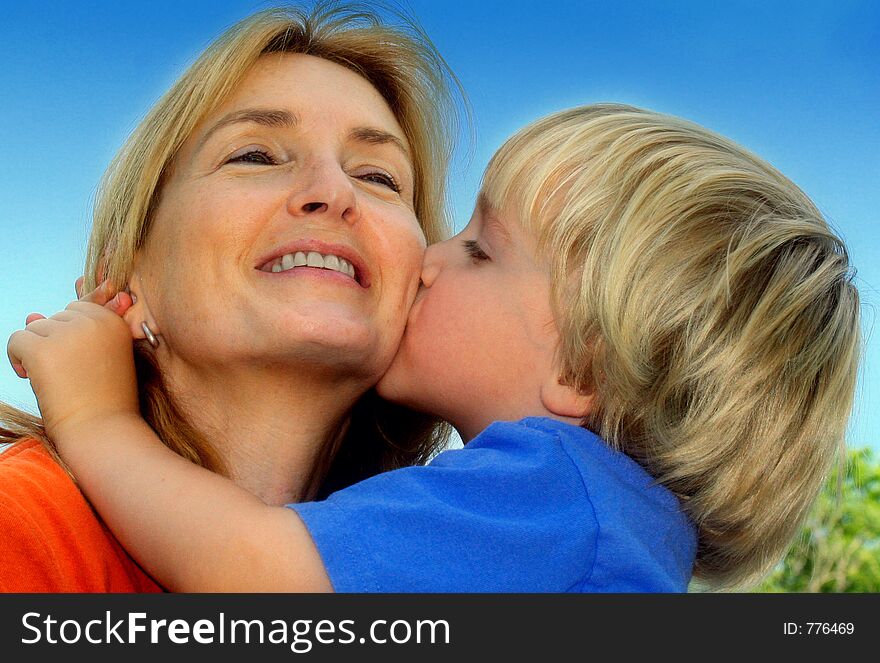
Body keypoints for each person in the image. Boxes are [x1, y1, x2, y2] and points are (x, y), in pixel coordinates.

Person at [10, 104, 861, 592]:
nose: (428, 260)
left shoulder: (554, 494)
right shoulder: (603, 528)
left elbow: (259, 576)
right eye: (257, 154)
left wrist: (94, 416)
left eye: (480, 249)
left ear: (579, 370)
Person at [0, 2, 462, 592]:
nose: (333, 191)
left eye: (378, 177)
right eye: (256, 156)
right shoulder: (24, 532)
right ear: (121, 274)